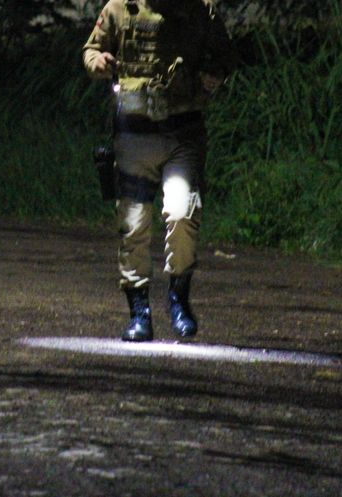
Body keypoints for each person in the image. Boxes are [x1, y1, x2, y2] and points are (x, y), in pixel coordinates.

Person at [82, 0, 236, 342]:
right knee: (134, 225)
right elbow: (92, 49)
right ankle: (139, 311)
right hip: (134, 133)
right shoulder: (120, 7)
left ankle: (178, 298)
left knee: (182, 214)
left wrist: (214, 73)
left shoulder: (200, 9)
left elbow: (226, 54)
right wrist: (98, 62)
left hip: (183, 131)